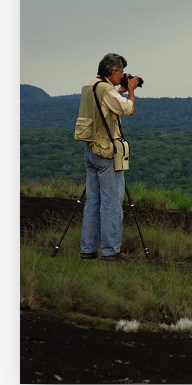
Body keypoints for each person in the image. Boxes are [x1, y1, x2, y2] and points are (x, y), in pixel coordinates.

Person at [79, 53, 140, 261]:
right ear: (113, 72)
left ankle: (87, 249)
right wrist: (130, 90)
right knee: (112, 204)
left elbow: (103, 104)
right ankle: (110, 251)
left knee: (93, 201)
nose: (122, 76)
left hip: (91, 150)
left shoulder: (90, 86)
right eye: (121, 73)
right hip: (106, 153)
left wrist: (120, 90)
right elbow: (127, 109)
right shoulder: (106, 90)